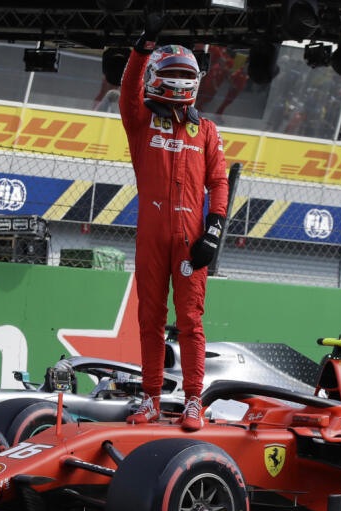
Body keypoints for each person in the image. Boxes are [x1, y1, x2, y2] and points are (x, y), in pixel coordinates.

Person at [119, 18, 229, 431]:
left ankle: (194, 401)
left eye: (186, 75)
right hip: (150, 236)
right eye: (172, 74)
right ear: (155, 77)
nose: (179, 82)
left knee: (190, 321)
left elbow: (219, 181)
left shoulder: (207, 130)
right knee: (149, 317)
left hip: (191, 241)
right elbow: (130, 90)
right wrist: (142, 46)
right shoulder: (141, 122)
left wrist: (213, 231)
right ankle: (149, 400)